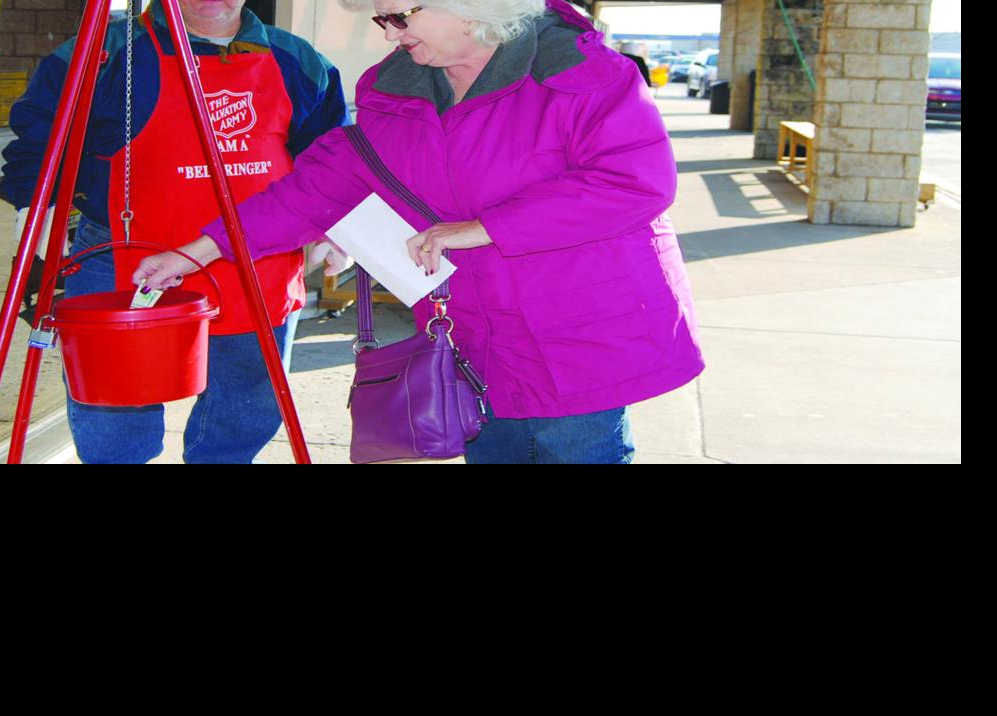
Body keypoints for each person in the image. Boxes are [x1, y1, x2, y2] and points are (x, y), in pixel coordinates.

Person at [136, 0, 705, 464]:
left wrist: (483, 228)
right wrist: (197, 252)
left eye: (399, 17)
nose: (389, 35)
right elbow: (311, 190)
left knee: (575, 450)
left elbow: (634, 181)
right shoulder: (396, 91)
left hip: (579, 332)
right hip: (479, 337)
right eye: (381, 19)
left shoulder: (579, 72)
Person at [1, 0, 350, 463]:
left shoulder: (297, 59)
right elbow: (40, 136)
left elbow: (330, 156)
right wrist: (36, 209)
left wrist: (335, 225)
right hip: (121, 252)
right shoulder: (105, 51)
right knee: (114, 400)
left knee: (247, 397)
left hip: (254, 257)